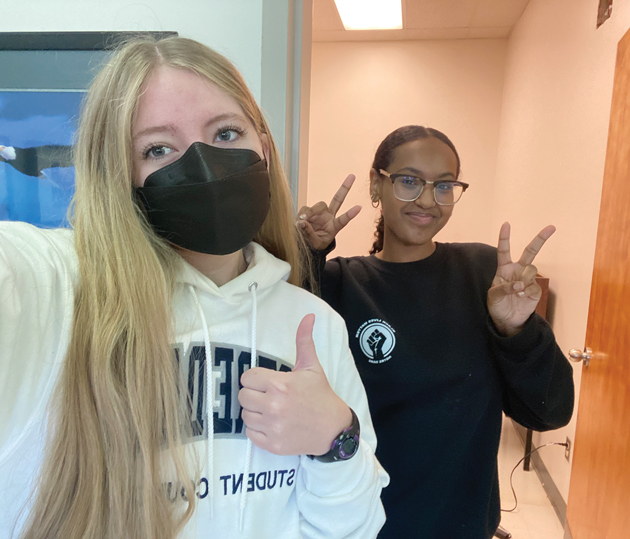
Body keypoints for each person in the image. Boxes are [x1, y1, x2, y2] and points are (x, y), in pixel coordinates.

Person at [0, 37, 388, 539]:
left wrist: (336, 439)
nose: (203, 163)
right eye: (158, 148)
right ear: (124, 174)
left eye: (227, 133)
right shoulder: (66, 294)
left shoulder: (313, 327)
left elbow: (352, 528)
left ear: (263, 148)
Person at [298, 125, 574, 539]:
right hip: (362, 524)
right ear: (377, 185)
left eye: (444, 186)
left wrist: (515, 328)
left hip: (460, 524)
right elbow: (283, 360)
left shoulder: (482, 274)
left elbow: (550, 411)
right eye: (409, 181)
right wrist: (307, 256)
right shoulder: (339, 284)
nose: (427, 199)